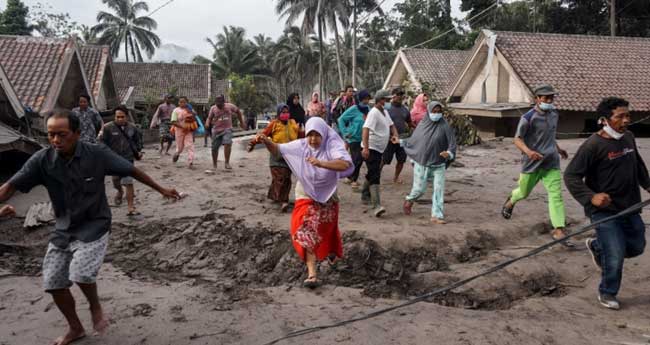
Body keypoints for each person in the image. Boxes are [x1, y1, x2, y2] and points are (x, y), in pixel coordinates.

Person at [0, 110, 179, 345]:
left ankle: (95, 307)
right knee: (53, 282)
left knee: (81, 272)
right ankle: (75, 328)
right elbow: (10, 186)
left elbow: (131, 170)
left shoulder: (97, 154)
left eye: (62, 135)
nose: (55, 140)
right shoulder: (43, 160)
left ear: (76, 133)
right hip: (63, 227)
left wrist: (162, 189)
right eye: (51, 135)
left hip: (95, 224)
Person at [564, 97, 650, 310]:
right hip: (604, 211)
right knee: (615, 253)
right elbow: (571, 176)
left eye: (627, 115)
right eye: (620, 116)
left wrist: (648, 185)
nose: (626, 120)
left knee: (637, 246)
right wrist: (591, 196)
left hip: (629, 206)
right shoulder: (593, 145)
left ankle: (596, 246)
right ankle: (607, 292)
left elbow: (638, 165)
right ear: (604, 120)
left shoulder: (628, 138)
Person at [255, 117, 353, 288]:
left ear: (323, 135)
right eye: (310, 135)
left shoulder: (332, 145)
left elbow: (344, 164)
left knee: (326, 228)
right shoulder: (301, 145)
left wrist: (322, 163)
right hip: (305, 192)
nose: (313, 140)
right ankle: (312, 274)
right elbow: (278, 150)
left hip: (328, 194)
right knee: (306, 228)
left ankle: (330, 252)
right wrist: (266, 140)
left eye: (317, 136)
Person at [500, 84, 572, 245]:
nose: (549, 100)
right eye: (545, 98)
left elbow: (550, 136)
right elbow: (517, 139)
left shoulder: (554, 114)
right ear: (537, 99)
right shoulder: (528, 117)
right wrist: (529, 152)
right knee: (524, 192)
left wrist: (559, 150)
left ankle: (559, 229)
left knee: (556, 195)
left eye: (551, 97)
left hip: (551, 161)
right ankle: (512, 200)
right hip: (531, 163)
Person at [402, 101, 456, 224]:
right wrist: (401, 142)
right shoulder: (423, 124)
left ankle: (437, 215)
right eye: (434, 111)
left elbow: (452, 143)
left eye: (439, 112)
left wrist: (449, 153)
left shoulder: (445, 125)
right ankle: (410, 199)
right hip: (422, 162)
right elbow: (414, 141)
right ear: (429, 112)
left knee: (439, 189)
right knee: (419, 190)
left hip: (439, 164)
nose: (436, 114)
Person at [248, 104, 301, 212]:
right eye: (283, 112)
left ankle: (275, 196)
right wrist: (252, 143)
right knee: (280, 177)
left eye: (287, 112)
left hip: (289, 155)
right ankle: (284, 201)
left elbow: (300, 135)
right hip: (276, 155)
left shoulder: (293, 123)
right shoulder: (274, 124)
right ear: (278, 114)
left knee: (285, 177)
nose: (285, 114)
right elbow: (263, 135)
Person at [361, 90, 399, 217]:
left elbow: (391, 125)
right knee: (375, 174)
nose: (388, 102)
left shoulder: (385, 112)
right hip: (371, 147)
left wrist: (395, 135)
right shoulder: (374, 113)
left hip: (380, 148)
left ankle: (364, 193)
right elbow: (365, 129)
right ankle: (376, 205)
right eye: (386, 100)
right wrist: (365, 148)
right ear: (380, 100)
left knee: (374, 171)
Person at [99, 106, 143, 216]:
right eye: (117, 117)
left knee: (128, 182)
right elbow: (101, 143)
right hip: (113, 159)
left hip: (128, 159)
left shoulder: (133, 128)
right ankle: (119, 191)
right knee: (116, 181)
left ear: (126, 117)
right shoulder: (107, 128)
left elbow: (138, 141)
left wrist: (138, 151)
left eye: (122, 117)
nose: (120, 119)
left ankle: (130, 207)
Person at [338, 89, 372, 188]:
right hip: (353, 138)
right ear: (360, 99)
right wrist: (345, 132)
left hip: (364, 138)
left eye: (368, 99)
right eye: (365, 99)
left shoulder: (368, 110)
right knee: (357, 159)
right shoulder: (354, 109)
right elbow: (341, 119)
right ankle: (353, 179)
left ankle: (350, 177)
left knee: (359, 159)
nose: (366, 101)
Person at [206, 95, 245, 171]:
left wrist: (241, 122)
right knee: (214, 148)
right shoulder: (213, 108)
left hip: (227, 129)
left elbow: (238, 112)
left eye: (220, 103)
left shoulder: (230, 106)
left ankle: (227, 163)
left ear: (223, 102)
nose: (218, 105)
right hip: (216, 130)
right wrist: (207, 123)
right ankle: (214, 164)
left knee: (227, 144)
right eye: (217, 103)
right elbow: (209, 118)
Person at [383, 87, 414, 184]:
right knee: (384, 160)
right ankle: (376, 175)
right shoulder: (386, 107)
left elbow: (409, 123)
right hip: (389, 138)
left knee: (401, 160)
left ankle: (396, 178)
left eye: (401, 95)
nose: (400, 97)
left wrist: (419, 128)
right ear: (393, 96)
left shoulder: (405, 109)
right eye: (398, 94)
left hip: (402, 138)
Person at [171, 97, 198, 169]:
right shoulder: (176, 110)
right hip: (179, 131)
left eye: (184, 102)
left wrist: (193, 113)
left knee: (189, 145)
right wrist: (182, 126)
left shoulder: (189, 109)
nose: (182, 103)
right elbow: (173, 122)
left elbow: (195, 116)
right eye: (181, 102)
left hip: (188, 131)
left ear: (186, 102)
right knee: (180, 147)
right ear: (178, 103)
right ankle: (177, 153)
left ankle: (190, 162)